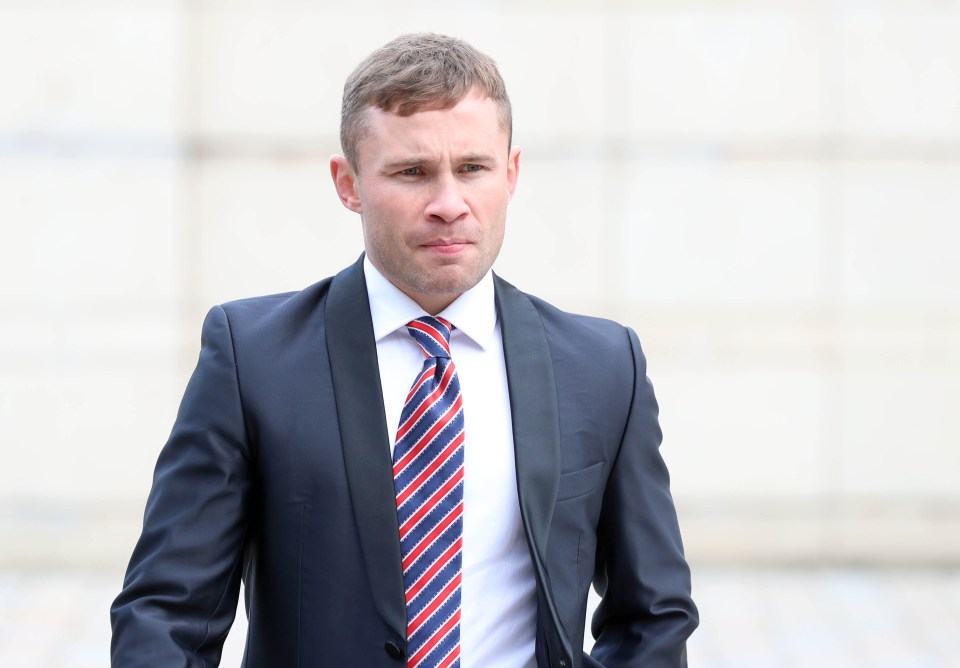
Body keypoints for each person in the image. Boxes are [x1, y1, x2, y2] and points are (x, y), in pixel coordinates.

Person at [110, 33, 698, 668]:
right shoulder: (252, 359)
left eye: (473, 168)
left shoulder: (605, 366)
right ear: (349, 184)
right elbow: (168, 613)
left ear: (512, 173)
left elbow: (653, 614)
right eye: (411, 172)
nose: (449, 205)